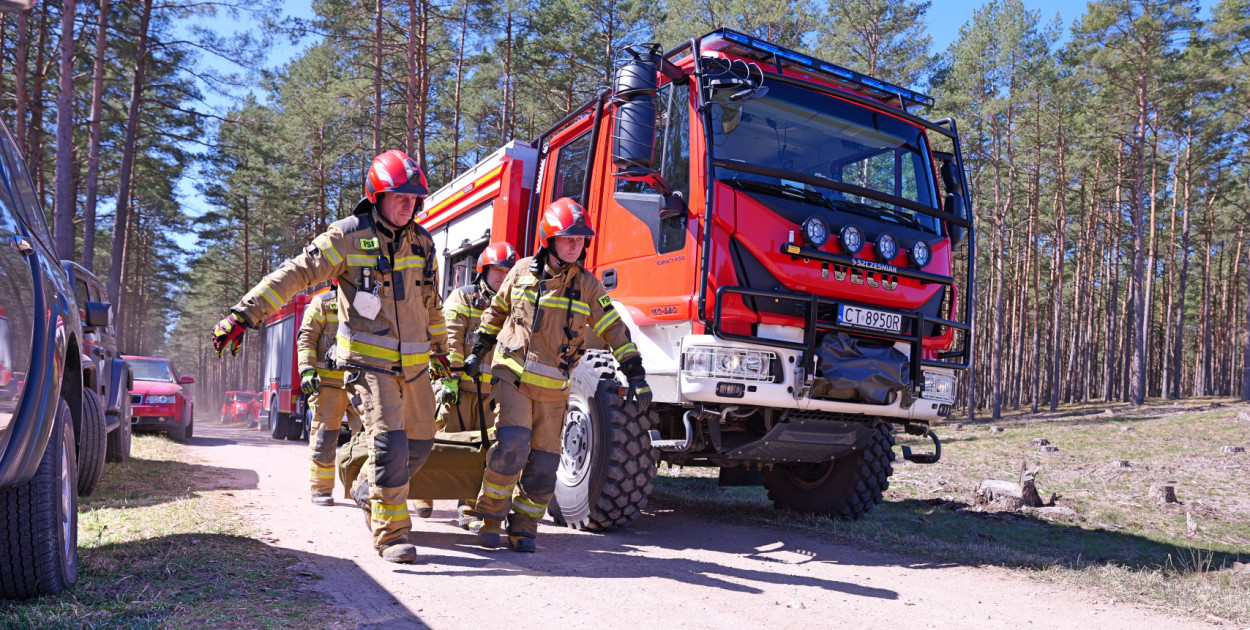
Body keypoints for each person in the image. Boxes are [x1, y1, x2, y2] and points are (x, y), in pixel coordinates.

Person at [213, 150, 451, 564]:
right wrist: (244, 314)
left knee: (421, 446)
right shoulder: (346, 236)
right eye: (399, 196)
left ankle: (365, 489)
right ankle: (392, 535)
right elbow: (295, 273)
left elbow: (431, 304)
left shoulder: (424, 243)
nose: (407, 205)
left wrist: (442, 353)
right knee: (390, 446)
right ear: (376, 195)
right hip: (368, 366)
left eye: (414, 198)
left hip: (413, 370)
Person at [463, 198, 652, 553]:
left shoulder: (589, 286)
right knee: (512, 447)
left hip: (553, 388)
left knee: (545, 463)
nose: (575, 244)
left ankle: (523, 525)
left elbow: (614, 330)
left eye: (581, 239)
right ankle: (489, 517)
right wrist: (477, 350)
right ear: (549, 239)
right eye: (568, 238)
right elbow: (497, 311)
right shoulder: (519, 272)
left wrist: (636, 374)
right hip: (513, 376)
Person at [413, 242, 517, 524]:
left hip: (492, 394)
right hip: (456, 390)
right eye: (497, 270)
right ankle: (421, 492)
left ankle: (469, 510)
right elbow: (450, 339)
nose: (502, 275)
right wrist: (449, 380)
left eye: (508, 271)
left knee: (481, 453)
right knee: (439, 442)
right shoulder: (465, 297)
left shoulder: (514, 305)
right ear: (484, 270)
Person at [297, 283, 363, 506]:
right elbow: (306, 337)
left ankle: (360, 489)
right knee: (325, 438)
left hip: (361, 383)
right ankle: (321, 489)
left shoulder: (372, 300)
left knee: (368, 438)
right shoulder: (323, 303)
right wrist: (307, 370)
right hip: (328, 384)